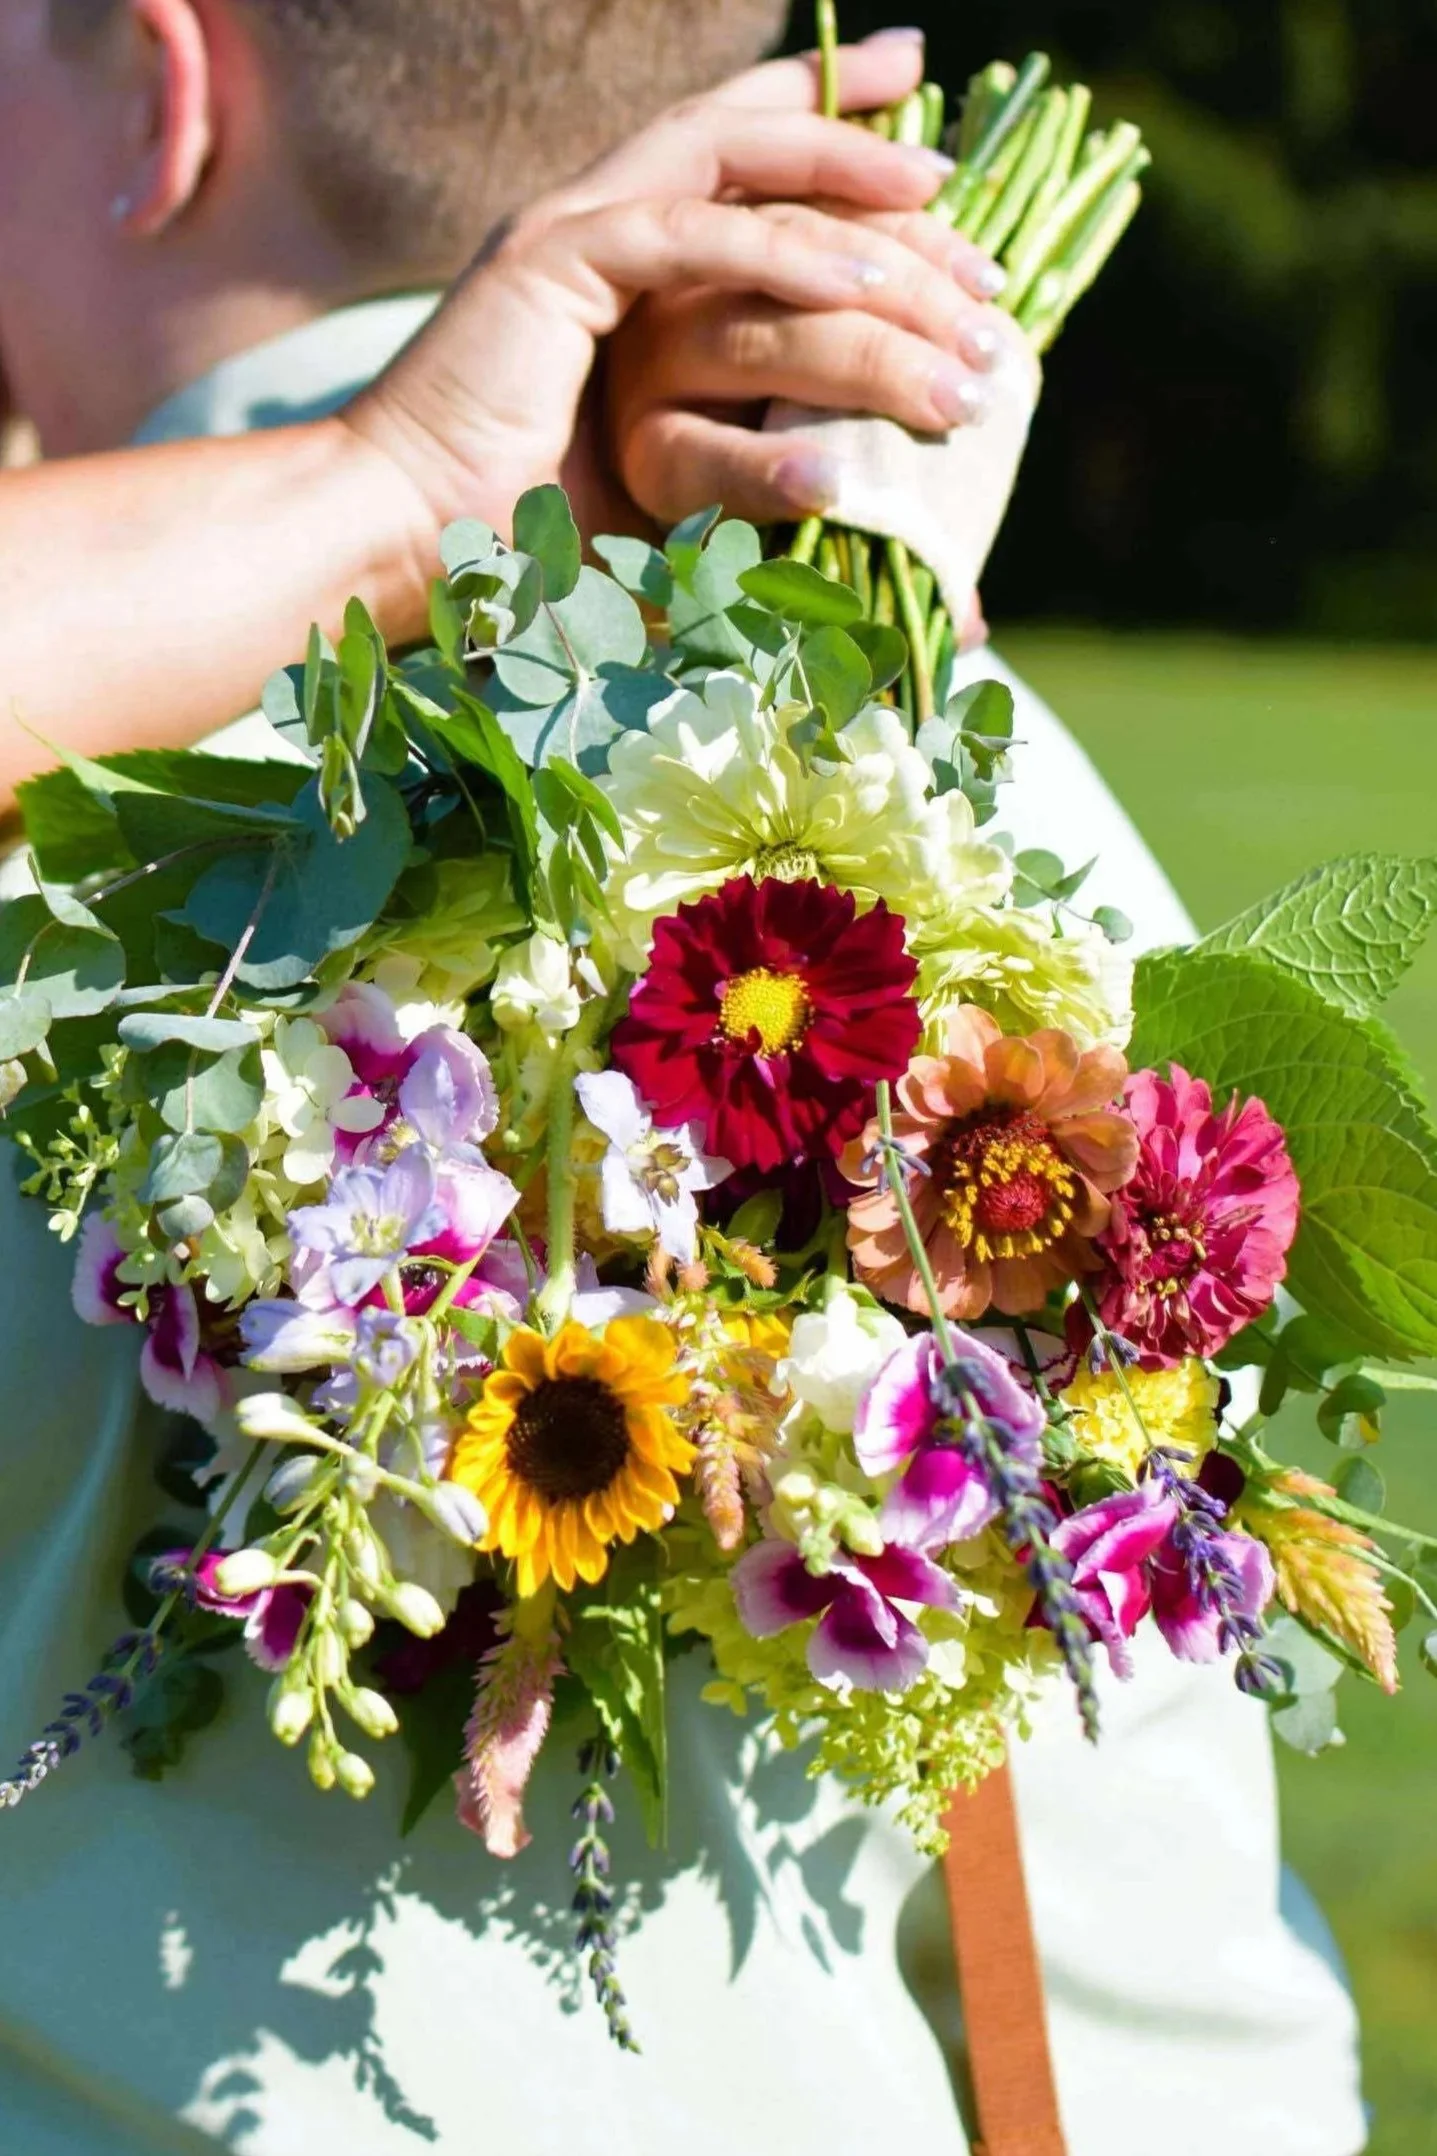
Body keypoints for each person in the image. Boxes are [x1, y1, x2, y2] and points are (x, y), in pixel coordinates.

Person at [0, 9, 1366, 2155]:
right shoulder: (1041, 843)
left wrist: (378, 499)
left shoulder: (60, 750)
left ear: (162, 96)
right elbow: (1149, 1989)